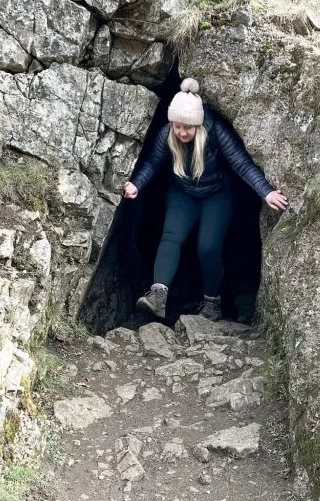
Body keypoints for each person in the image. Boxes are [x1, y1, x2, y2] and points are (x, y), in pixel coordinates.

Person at [123, 78, 288, 322]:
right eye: (178, 127)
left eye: (187, 128)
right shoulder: (167, 134)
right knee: (171, 236)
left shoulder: (215, 131)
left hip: (217, 193)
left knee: (208, 247)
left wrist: (266, 192)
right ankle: (158, 295)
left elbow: (240, 162)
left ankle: (213, 302)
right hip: (182, 191)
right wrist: (137, 184)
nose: (182, 132)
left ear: (198, 125)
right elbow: (153, 162)